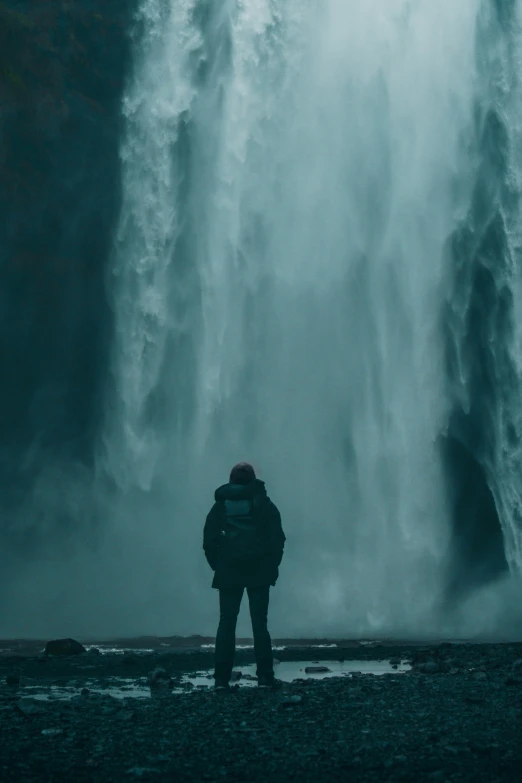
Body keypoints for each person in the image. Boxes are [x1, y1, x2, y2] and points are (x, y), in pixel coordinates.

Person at [203, 462, 286, 690]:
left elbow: (209, 541)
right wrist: (272, 567)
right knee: (260, 624)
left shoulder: (220, 506)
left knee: (226, 623)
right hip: (259, 571)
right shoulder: (263, 503)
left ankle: (221, 679)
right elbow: (278, 539)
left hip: (229, 571)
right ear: (252, 479)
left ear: (230, 480)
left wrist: (218, 566)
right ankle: (265, 677)